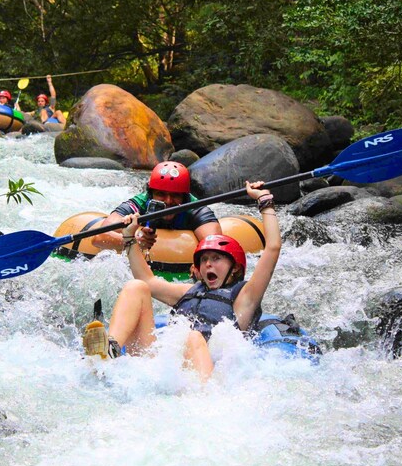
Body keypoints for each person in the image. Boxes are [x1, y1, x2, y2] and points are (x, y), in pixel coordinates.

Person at [83, 181, 281, 381]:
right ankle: (110, 351)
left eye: (216, 259)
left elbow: (272, 248)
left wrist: (265, 201)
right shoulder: (189, 291)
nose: (208, 265)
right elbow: (146, 279)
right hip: (162, 369)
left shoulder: (244, 298)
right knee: (137, 286)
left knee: (192, 336)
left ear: (236, 268)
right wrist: (130, 239)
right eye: (204, 260)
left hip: (202, 379)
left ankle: (202, 395)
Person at [92, 161, 222, 253]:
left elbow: (215, 246)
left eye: (175, 195)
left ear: (184, 196)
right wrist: (134, 240)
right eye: (161, 194)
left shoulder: (196, 209)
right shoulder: (138, 204)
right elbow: (99, 238)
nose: (168, 201)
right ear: (151, 194)